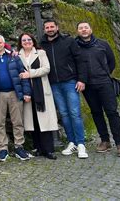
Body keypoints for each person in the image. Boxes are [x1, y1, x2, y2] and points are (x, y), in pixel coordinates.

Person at [76, 22, 120, 157]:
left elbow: (111, 62)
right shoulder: (75, 46)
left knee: (112, 112)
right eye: (81, 28)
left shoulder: (102, 44)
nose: (83, 30)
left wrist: (104, 74)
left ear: (91, 29)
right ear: (77, 31)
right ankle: (105, 141)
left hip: (104, 82)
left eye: (86, 27)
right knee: (96, 113)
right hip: (88, 86)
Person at [40, 19, 89, 159]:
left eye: (52, 26)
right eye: (47, 27)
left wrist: (82, 79)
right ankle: (72, 141)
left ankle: (81, 143)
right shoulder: (42, 45)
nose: (50, 29)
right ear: (44, 30)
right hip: (54, 84)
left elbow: (80, 60)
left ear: (57, 27)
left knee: (75, 113)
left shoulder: (68, 41)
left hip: (70, 82)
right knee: (64, 114)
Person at [0, 34, 31, 162]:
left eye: (0, 43)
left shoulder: (13, 56)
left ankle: (19, 147)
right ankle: (3, 149)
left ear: (4, 43)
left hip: (15, 93)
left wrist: (26, 92)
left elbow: (23, 74)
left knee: (18, 121)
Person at [18, 33, 58, 160]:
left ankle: (49, 150)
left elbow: (46, 69)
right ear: (20, 42)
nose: (27, 42)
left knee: (44, 121)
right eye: (24, 40)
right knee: (33, 121)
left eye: (29, 39)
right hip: (27, 92)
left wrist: (30, 74)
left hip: (41, 91)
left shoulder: (40, 53)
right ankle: (38, 148)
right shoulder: (16, 55)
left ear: (33, 41)